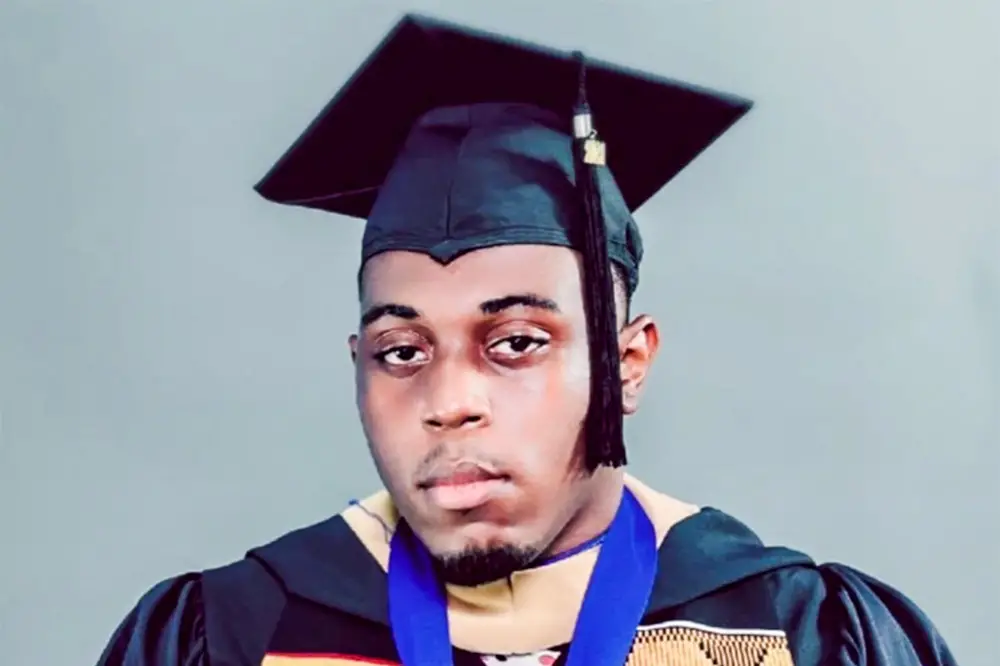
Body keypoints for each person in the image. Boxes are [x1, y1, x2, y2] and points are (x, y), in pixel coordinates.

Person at [96, 13, 958, 666]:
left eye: (514, 343)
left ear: (626, 364)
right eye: (403, 353)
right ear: (357, 368)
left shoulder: (796, 633)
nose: (449, 403)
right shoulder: (233, 633)